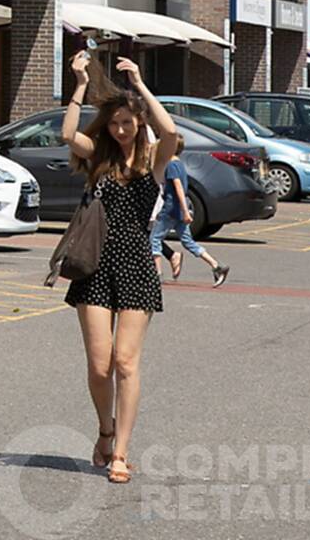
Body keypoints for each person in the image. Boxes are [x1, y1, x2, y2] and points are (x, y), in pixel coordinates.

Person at [61, 50, 179, 485]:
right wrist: (79, 84)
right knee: (99, 366)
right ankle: (105, 429)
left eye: (127, 123)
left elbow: (170, 130)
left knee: (126, 361)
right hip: (95, 264)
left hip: (136, 265)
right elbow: (68, 133)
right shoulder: (99, 157)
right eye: (114, 123)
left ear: (138, 123)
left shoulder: (154, 161)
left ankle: (122, 453)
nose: (120, 129)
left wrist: (141, 87)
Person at [152, 133, 228, 287]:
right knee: (188, 241)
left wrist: (185, 210)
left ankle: (157, 274)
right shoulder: (179, 164)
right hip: (178, 209)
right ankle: (216, 265)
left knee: (154, 239)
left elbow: (178, 187)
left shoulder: (171, 165)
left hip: (171, 209)